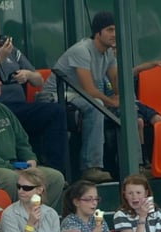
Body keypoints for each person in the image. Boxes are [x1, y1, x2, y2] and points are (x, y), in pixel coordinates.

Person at [0, 6, 67, 173]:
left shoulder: (12, 50)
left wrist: (28, 75)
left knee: (56, 112)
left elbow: (39, 81)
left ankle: (55, 171)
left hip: (20, 107)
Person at [0, 65, 65, 208]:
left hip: (15, 164)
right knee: (11, 178)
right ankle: (13, 221)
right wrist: (10, 167)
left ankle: (38, 217)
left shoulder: (2, 109)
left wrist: (31, 160)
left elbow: (22, 140)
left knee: (55, 177)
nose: (0, 83)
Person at [37, 12, 118, 183]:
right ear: (98, 33)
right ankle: (91, 168)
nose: (114, 34)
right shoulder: (82, 50)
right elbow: (89, 90)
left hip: (77, 97)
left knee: (130, 108)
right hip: (54, 96)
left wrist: (120, 99)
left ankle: (138, 165)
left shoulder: (109, 53)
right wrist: (111, 102)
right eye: (110, 30)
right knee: (96, 104)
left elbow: (116, 80)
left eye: (116, 30)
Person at [0, 168, 61, 232]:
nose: (20, 191)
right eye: (18, 187)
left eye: (26, 188)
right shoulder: (9, 214)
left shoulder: (51, 214)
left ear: (39, 190)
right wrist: (30, 225)